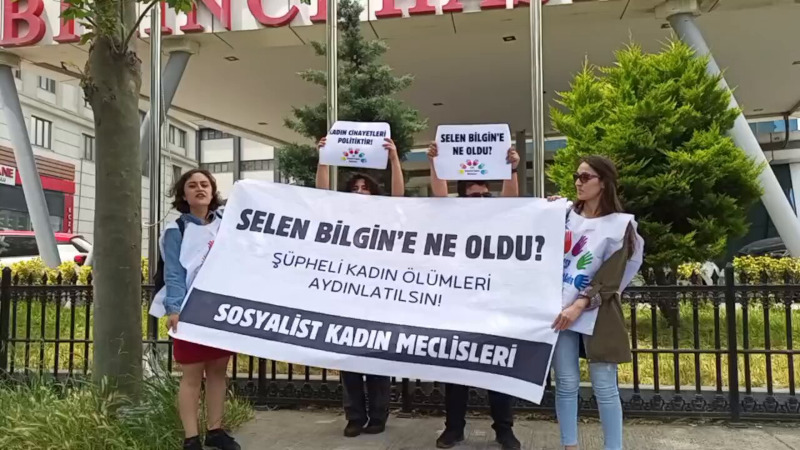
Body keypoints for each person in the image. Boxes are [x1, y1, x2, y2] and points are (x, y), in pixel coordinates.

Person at [427, 141, 522, 450]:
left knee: (497, 368)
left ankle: (504, 430)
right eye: (474, 195)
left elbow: (511, 198)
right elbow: (439, 194)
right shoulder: (453, 215)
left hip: (493, 303)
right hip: (459, 304)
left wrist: (512, 168)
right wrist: (435, 162)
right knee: (456, 372)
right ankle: (453, 428)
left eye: (484, 194)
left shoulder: (497, 215)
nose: (480, 199)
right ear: (463, 197)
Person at [549, 155, 644, 450]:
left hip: (597, 313)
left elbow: (611, 276)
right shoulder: (564, 215)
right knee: (566, 383)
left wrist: (580, 303)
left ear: (603, 183)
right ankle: (569, 446)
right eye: (576, 176)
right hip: (560, 310)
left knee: (604, 386)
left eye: (585, 177)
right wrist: (546, 211)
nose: (578, 182)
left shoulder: (620, 225)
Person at [316, 136, 403, 437]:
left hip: (378, 296)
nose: (360, 191)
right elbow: (321, 194)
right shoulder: (340, 216)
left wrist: (394, 158)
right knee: (349, 359)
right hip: (347, 296)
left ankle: (378, 416)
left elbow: (399, 195)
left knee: (378, 358)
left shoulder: (385, 214)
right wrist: (323, 158)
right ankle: (354, 416)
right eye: (355, 188)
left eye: (365, 188)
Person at [162, 169, 240, 450]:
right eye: (192, 185)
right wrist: (174, 308)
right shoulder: (176, 230)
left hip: (220, 309)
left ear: (212, 190)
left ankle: (215, 430)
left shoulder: (227, 224)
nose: (199, 189)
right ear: (184, 194)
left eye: (205, 184)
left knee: (218, 372)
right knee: (192, 376)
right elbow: (173, 271)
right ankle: (191, 438)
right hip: (189, 309)